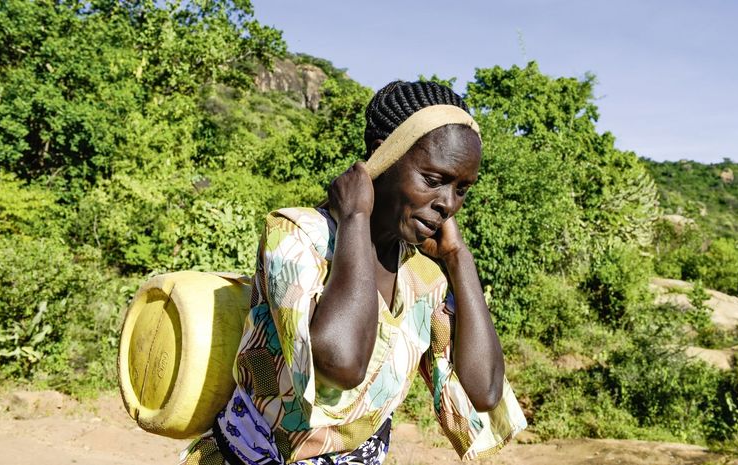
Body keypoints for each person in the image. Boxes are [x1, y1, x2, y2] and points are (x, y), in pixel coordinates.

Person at [180, 80, 526, 465]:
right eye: (433, 180)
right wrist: (356, 217)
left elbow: (485, 391)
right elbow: (342, 364)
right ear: (384, 157)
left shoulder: (424, 281)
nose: (447, 203)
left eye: (462, 189)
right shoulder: (298, 237)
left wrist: (459, 259)